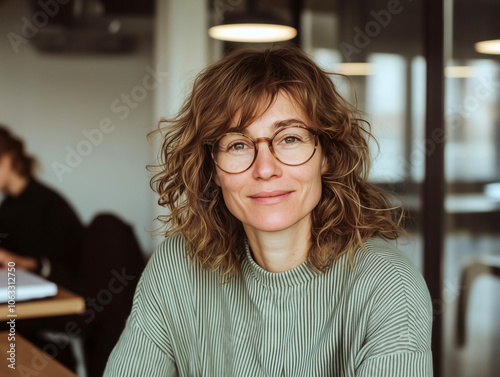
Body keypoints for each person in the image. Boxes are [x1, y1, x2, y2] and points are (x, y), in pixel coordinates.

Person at [104, 45, 433, 376]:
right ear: (213, 167)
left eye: (289, 139)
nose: (265, 168)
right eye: (238, 144)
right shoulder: (177, 267)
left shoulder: (389, 285)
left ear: (327, 155)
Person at [0, 125, 84, 370]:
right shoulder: (7, 209)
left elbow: (71, 270)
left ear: (7, 159)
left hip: (49, 313)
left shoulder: (49, 205)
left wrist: (22, 262)